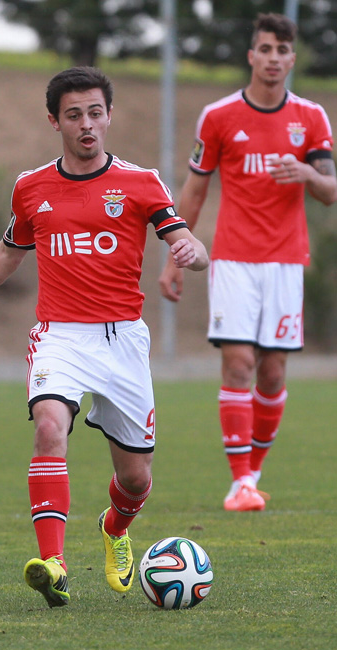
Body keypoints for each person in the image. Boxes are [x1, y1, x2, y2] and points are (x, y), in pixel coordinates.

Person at [0, 66, 209, 608]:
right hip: (58, 336)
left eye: (95, 113)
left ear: (109, 116)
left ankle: (114, 528)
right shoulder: (31, 187)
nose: (87, 124)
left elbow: (190, 246)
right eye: (74, 115)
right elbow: (10, 252)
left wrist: (191, 253)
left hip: (123, 341)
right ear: (54, 121)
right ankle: (54, 565)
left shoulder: (141, 182)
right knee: (49, 427)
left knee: (134, 479)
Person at [160, 13, 337, 512]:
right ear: (251, 56)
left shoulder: (311, 118)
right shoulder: (218, 117)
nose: (274, 58)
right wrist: (176, 255)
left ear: (292, 58)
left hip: (285, 262)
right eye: (265, 49)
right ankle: (239, 484)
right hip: (233, 259)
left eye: (283, 50)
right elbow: (195, 191)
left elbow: (330, 191)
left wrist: (304, 171)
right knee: (238, 363)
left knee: (273, 374)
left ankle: (253, 474)